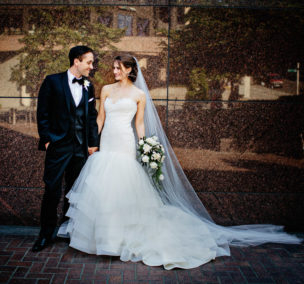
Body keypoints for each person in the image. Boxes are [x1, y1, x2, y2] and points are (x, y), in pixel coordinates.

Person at [57, 54, 301, 269]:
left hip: (124, 143)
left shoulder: (139, 94)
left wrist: (145, 147)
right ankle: (102, 240)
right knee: (103, 189)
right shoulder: (107, 89)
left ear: (131, 70)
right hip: (107, 142)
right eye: (114, 67)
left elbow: (139, 124)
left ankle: (120, 240)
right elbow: (100, 118)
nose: (115, 71)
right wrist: (93, 142)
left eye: (119, 68)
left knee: (122, 187)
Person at [33, 46, 100, 252]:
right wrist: (47, 140)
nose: (92, 66)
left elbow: (90, 116)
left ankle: (69, 231)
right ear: (76, 61)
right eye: (89, 62)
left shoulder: (89, 86)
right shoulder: (52, 81)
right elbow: (42, 113)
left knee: (75, 192)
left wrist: (93, 143)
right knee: (52, 190)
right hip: (58, 147)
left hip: (80, 149)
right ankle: (45, 234)